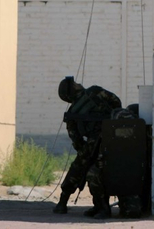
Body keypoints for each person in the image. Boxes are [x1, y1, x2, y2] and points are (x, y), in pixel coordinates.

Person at [53, 76, 122, 218]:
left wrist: (86, 151)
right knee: (99, 172)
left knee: (79, 168)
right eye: (75, 84)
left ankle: (63, 203)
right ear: (73, 90)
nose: (79, 84)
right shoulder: (95, 91)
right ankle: (101, 207)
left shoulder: (72, 112)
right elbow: (116, 102)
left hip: (91, 145)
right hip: (113, 140)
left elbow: (76, 139)